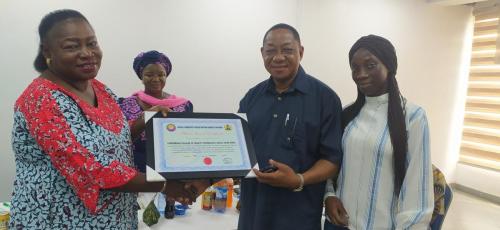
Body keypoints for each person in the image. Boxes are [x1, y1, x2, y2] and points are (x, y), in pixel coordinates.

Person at [9, 9, 208, 229]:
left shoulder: (99, 89)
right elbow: (90, 168)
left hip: (116, 217)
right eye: (72, 46)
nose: (87, 53)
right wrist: (166, 185)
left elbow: (118, 137)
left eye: (92, 43)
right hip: (61, 220)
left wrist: (145, 120)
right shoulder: (40, 99)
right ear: (48, 51)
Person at [237, 23, 343, 230]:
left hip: (297, 217)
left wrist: (298, 179)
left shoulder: (325, 99)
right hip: (252, 214)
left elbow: (332, 160)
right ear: (262, 53)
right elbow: (235, 150)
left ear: (300, 52)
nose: (278, 57)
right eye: (270, 51)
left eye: (287, 50)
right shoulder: (251, 98)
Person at [323, 35, 434, 230]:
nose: (361, 74)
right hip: (340, 224)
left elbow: (417, 192)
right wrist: (329, 196)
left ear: (389, 66)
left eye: (370, 65)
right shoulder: (348, 115)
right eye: (354, 68)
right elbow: (332, 164)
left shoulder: (414, 117)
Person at [119, 50, 193, 173]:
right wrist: (148, 115)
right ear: (141, 76)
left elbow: (189, 139)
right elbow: (121, 138)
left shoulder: (184, 105)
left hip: (173, 171)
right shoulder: (125, 104)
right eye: (149, 74)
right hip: (138, 174)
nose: (156, 79)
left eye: (161, 74)